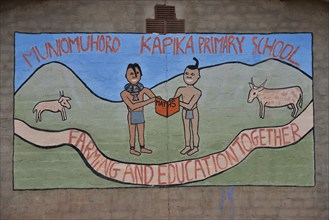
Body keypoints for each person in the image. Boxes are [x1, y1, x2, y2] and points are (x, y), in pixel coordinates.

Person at [120, 63, 155, 156]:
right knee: (132, 133)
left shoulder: (143, 90)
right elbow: (132, 106)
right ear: (126, 76)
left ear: (141, 75)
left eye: (137, 73)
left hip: (140, 113)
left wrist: (153, 99)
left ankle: (142, 147)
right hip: (132, 114)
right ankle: (132, 148)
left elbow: (154, 97)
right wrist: (149, 101)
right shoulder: (124, 93)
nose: (134, 75)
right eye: (131, 73)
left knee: (141, 132)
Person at [173, 57, 202, 156]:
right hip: (184, 112)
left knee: (194, 130)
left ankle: (195, 147)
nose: (189, 76)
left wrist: (178, 102)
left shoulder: (197, 92)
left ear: (198, 77)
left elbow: (190, 105)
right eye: (187, 73)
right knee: (186, 129)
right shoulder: (180, 89)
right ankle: (187, 146)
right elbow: (174, 101)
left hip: (193, 111)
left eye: (192, 74)